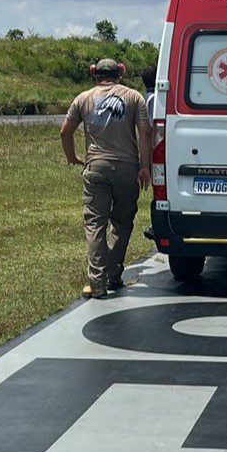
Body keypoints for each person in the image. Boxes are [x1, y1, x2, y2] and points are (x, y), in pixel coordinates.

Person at [60, 59, 152, 299]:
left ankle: (97, 282)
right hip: (127, 169)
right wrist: (145, 167)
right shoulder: (134, 98)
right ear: (120, 72)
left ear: (94, 74)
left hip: (96, 167)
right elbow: (145, 132)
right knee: (122, 223)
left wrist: (72, 157)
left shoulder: (83, 98)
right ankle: (113, 274)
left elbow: (65, 131)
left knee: (95, 225)